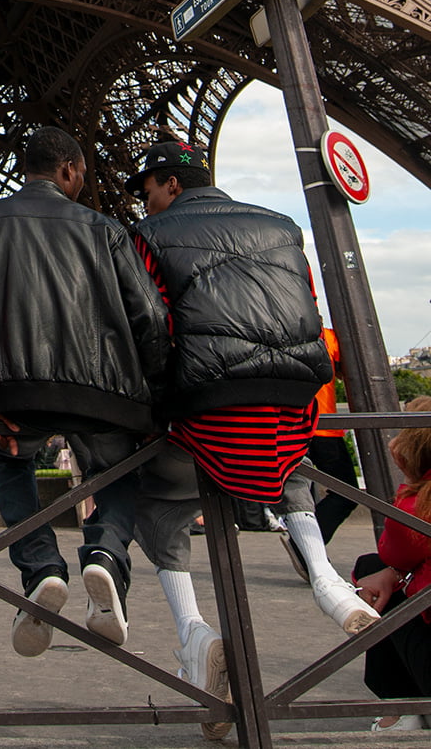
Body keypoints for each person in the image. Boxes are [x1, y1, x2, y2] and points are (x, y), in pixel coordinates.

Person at [0, 127, 173, 667]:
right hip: (105, 392)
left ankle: (41, 568)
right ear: (67, 170)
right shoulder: (107, 230)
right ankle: (106, 552)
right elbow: (150, 317)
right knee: (118, 475)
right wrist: (153, 399)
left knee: (8, 464)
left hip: (14, 392)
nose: (83, 182)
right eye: (82, 174)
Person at [127, 141, 379, 658]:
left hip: (208, 416)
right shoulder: (282, 225)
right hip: (293, 410)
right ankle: (325, 574)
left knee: (155, 495)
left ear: (172, 184)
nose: (144, 202)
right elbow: (306, 307)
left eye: (148, 190)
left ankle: (192, 634)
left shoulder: (149, 234)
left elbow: (149, 329)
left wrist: (154, 402)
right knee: (291, 461)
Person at [352, 396, 431, 730]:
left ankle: (398, 705)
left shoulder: (417, 507)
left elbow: (391, 553)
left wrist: (395, 572)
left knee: (371, 569)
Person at [278, 324, 360, 576]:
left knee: (298, 489)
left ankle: (306, 546)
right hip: (322, 425)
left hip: (289, 423)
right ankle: (305, 547)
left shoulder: (283, 331)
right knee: (346, 492)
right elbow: (349, 373)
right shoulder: (330, 336)